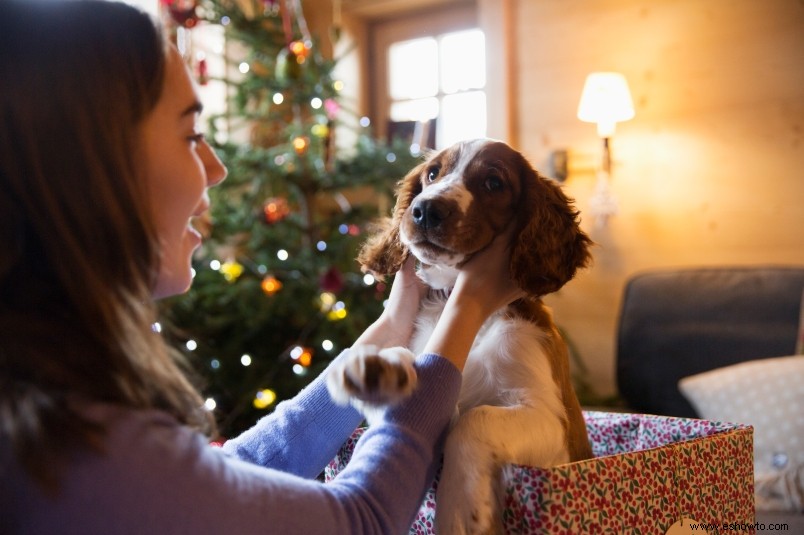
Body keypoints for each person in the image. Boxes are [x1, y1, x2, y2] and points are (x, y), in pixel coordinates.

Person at [0, 1, 523, 533]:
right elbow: (361, 521)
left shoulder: (43, 404)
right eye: (190, 135)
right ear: (90, 167)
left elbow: (233, 476)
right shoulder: (76, 441)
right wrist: (468, 307)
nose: (217, 167)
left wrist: (389, 328)